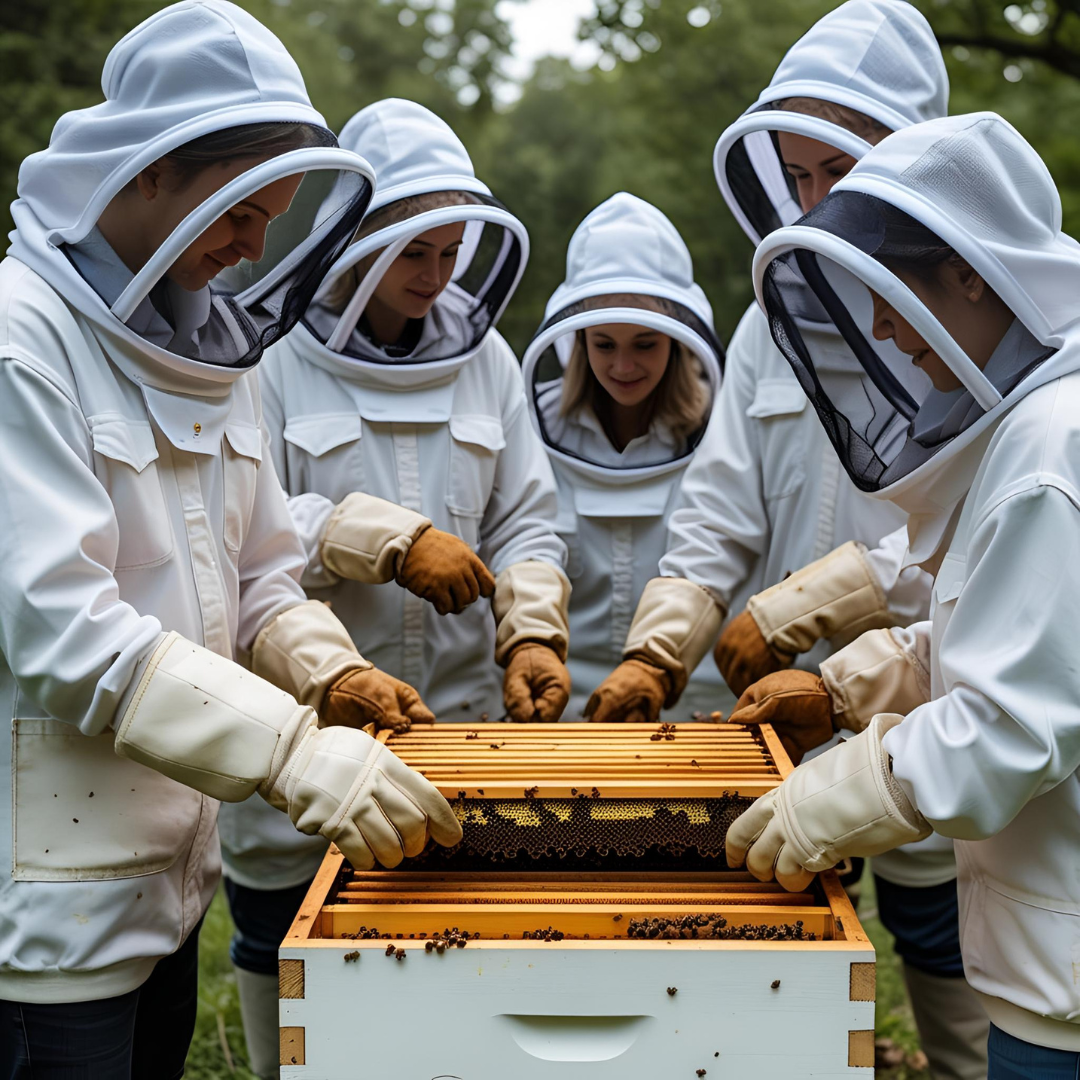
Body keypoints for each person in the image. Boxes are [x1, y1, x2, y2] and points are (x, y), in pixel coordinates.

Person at [0, 6, 462, 1076]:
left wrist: (333, 674)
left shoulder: (214, 347)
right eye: (243, 212)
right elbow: (64, 632)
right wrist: (296, 753)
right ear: (153, 173)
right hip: (46, 911)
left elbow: (257, 571)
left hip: (167, 883)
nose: (257, 247)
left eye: (276, 217)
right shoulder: (24, 341)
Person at [587, 4, 990, 1077]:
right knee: (786, 970)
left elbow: (988, 533)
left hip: (939, 696)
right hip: (781, 719)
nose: (818, 201)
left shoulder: (976, 302)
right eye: (800, 176)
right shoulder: (774, 317)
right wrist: (655, 649)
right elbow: (719, 511)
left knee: (951, 943)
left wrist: (822, 607)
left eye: (838, 170)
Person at [221, 97, 570, 1076]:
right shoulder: (270, 359)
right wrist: (388, 538)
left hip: (456, 710)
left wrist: (531, 634)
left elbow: (529, 518)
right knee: (283, 940)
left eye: (452, 250)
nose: (437, 275)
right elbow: (246, 527)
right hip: (312, 716)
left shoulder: (488, 358)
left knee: (448, 952)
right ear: (358, 239)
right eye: (417, 251)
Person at [728, 109, 1080, 1079]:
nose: (883, 327)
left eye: (897, 292)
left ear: (970, 272)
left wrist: (829, 798)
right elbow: (1017, 643)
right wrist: (848, 689)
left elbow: (1012, 726)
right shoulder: (1042, 427)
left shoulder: (1051, 452)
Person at [521, 192, 727, 720]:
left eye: (645, 343)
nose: (624, 366)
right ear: (578, 342)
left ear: (678, 343)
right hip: (557, 707)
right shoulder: (532, 422)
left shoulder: (723, 430)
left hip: (685, 709)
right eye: (604, 344)